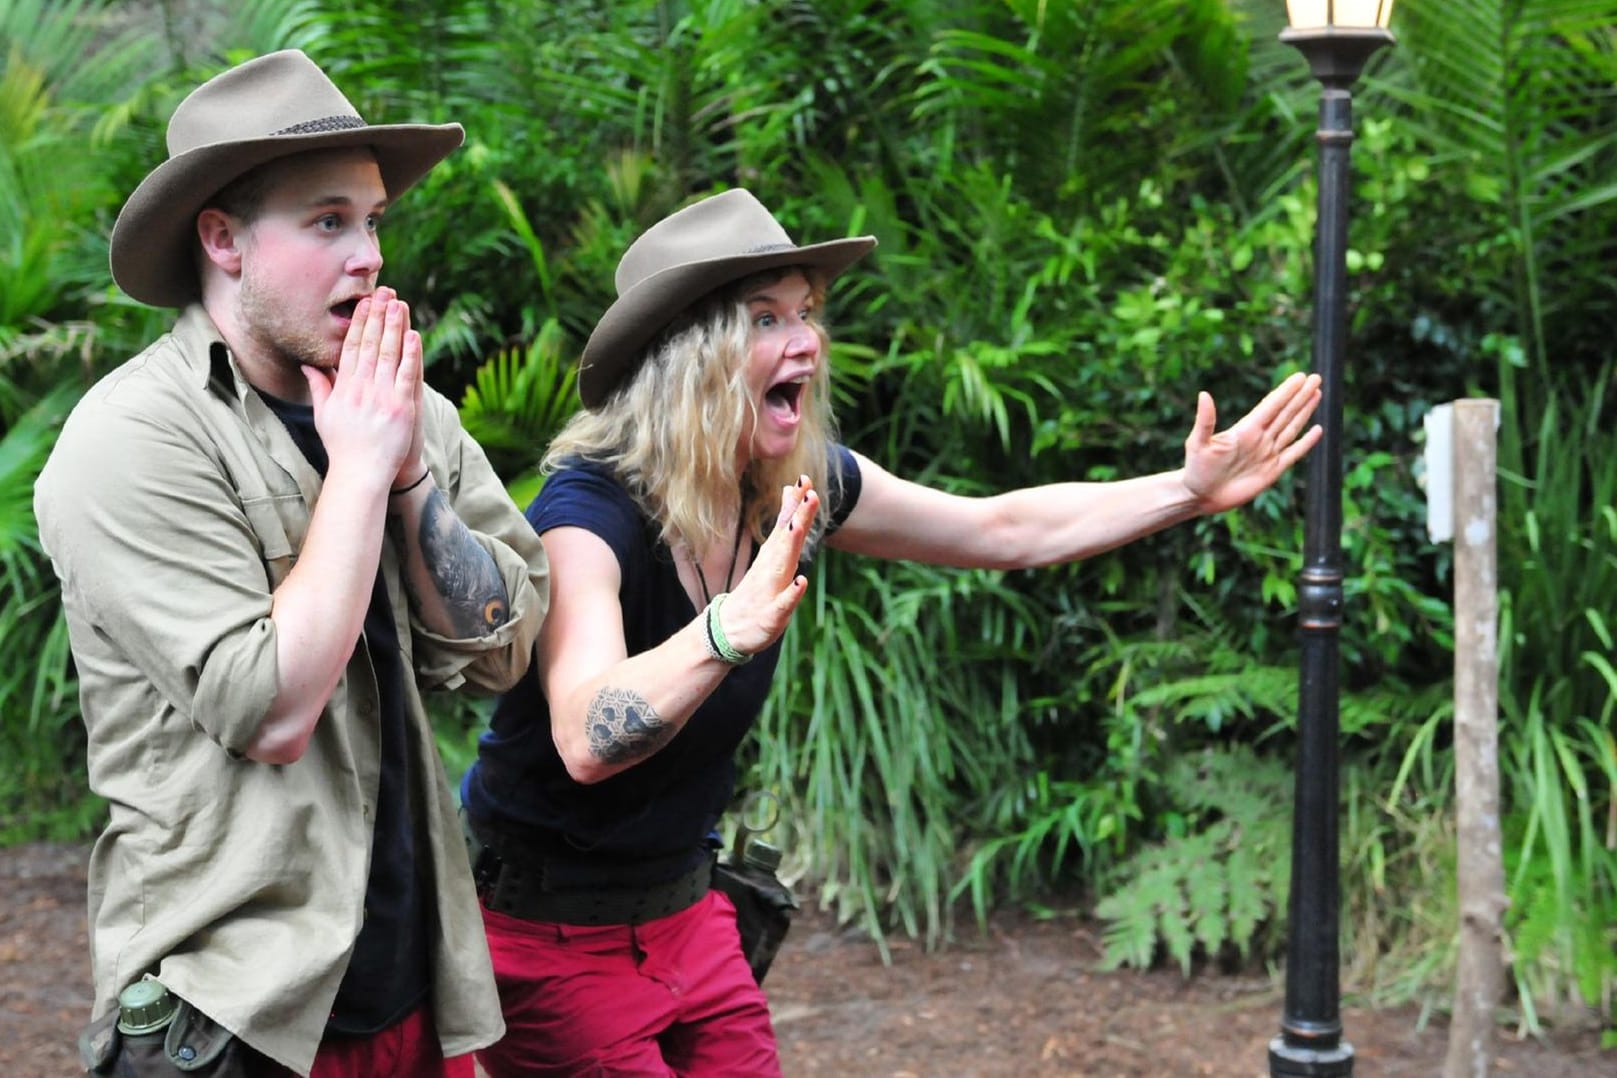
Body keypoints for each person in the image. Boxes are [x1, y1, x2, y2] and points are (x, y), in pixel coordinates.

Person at [456, 187, 1324, 1075]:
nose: (807, 341)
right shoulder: (585, 516)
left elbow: (1000, 531)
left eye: (804, 313)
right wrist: (723, 631)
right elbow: (585, 736)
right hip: (549, 929)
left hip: (685, 911)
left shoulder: (791, 486)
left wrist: (1186, 490)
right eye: (765, 318)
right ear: (685, 355)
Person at [34, 50, 550, 1077]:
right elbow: (270, 711)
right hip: (231, 1017)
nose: (367, 256)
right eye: (327, 222)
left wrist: (410, 481)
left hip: (413, 988)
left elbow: (506, 648)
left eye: (371, 222)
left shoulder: (407, 412)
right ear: (221, 239)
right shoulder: (132, 440)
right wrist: (362, 474)